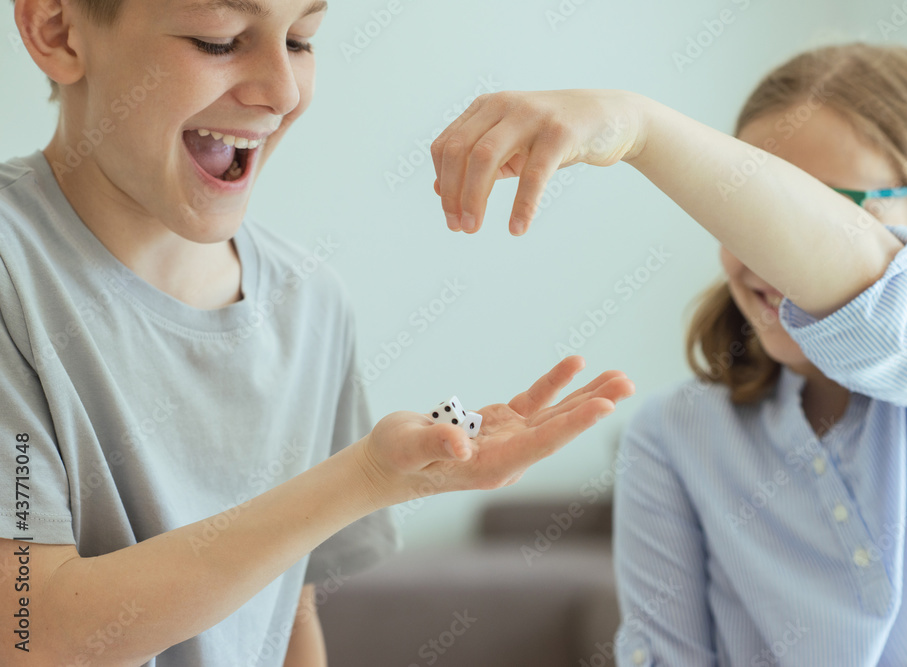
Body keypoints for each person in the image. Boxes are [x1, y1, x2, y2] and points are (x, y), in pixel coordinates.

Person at [0, 0, 635, 665]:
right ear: (58, 30)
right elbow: (31, 629)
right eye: (218, 40)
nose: (281, 91)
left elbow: (285, 608)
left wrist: (371, 479)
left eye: (301, 40)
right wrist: (362, 477)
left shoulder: (310, 304)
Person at [428, 44, 907, 665]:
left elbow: (883, 309)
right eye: (745, 215)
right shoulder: (673, 438)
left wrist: (638, 125)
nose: (764, 254)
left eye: (816, 209)